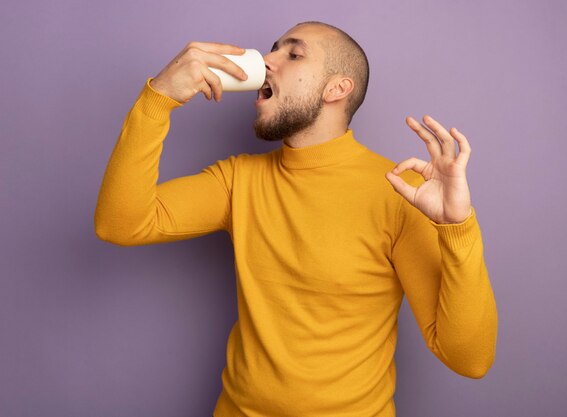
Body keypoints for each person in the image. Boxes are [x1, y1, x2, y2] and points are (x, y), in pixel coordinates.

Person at [94, 20, 498, 417]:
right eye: (273, 48)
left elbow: (469, 359)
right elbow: (120, 223)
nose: (266, 60)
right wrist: (158, 99)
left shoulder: (399, 191)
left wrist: (457, 228)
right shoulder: (238, 179)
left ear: (337, 88)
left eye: (293, 53)